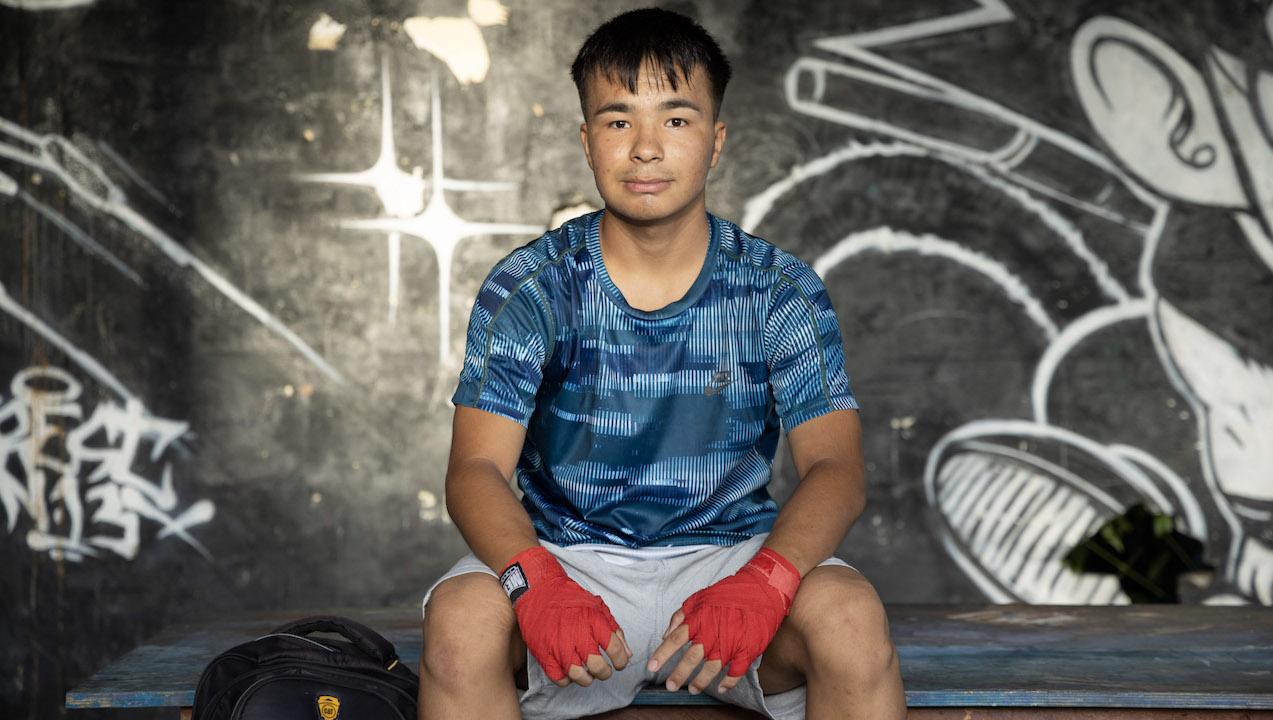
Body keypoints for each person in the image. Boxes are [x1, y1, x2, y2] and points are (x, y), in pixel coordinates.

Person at [419, 7, 906, 720]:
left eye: (675, 120)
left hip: (731, 561)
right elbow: (475, 469)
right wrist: (536, 582)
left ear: (715, 141)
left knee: (850, 617)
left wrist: (766, 581)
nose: (645, 148)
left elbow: (837, 468)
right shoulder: (532, 286)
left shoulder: (777, 288)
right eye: (618, 121)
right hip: (568, 559)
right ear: (587, 142)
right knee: (460, 623)